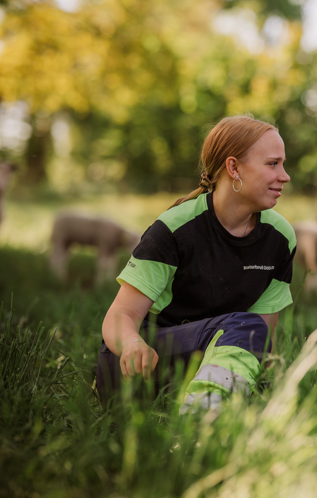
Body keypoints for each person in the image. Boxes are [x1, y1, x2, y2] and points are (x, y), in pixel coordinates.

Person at [97, 115, 296, 413]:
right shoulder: (173, 228)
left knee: (251, 336)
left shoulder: (281, 238)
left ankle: (209, 405)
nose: (285, 175)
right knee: (245, 326)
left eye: (283, 164)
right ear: (233, 167)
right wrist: (131, 345)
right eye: (272, 164)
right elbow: (119, 315)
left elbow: (261, 339)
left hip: (220, 359)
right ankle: (201, 419)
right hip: (137, 372)